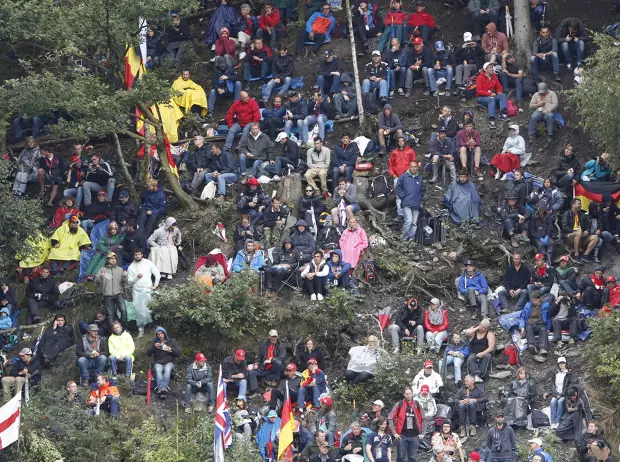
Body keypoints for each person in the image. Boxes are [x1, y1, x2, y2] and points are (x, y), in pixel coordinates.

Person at [127, 249, 161, 337]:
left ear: (142, 255)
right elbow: (129, 282)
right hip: (136, 291)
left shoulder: (148, 263)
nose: (137, 256)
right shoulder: (131, 267)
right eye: (135, 254)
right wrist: (136, 277)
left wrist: (155, 285)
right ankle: (140, 330)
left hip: (147, 290)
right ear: (133, 256)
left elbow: (157, 274)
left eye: (139, 254)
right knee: (138, 311)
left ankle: (151, 328)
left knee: (149, 309)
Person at [388, 386, 424, 462]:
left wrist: (422, 433)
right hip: (402, 436)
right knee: (400, 457)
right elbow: (390, 418)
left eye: (410, 393)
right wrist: (394, 433)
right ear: (404, 394)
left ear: (412, 394)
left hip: (415, 435)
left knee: (412, 458)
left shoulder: (417, 404)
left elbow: (424, 419)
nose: (409, 395)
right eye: (407, 394)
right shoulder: (399, 404)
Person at [94, 251, 128, 328]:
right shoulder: (102, 269)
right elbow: (96, 281)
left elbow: (125, 282)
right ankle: (113, 331)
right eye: (111, 258)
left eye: (115, 258)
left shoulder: (120, 269)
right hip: (107, 295)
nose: (113, 260)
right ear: (108, 260)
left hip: (118, 293)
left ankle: (124, 329)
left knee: (124, 311)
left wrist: (125, 276)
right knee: (110, 314)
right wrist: (101, 277)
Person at [248, 329, 286, 395]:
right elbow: (258, 357)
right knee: (251, 372)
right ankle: (255, 391)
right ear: (269, 337)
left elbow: (282, 358)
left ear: (277, 337)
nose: (274, 338)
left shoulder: (281, 346)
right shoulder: (263, 345)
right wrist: (256, 364)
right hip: (263, 368)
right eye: (272, 336)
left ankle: (276, 380)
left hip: (274, 370)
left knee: (278, 362)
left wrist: (272, 360)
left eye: (275, 337)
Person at [146, 327, 180, 400]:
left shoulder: (171, 342)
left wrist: (171, 349)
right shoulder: (155, 343)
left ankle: (161, 389)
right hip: (158, 362)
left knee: (167, 369)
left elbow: (178, 354)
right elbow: (148, 354)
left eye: (161, 333)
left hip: (169, 362)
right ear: (156, 335)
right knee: (158, 369)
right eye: (158, 334)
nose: (160, 335)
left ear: (165, 334)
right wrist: (154, 347)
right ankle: (163, 390)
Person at [396, 161, 424, 242]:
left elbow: (422, 190)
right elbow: (398, 188)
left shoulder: (419, 178)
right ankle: (404, 238)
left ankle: (411, 238)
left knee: (414, 222)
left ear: (417, 167)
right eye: (412, 166)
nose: (414, 168)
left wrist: (420, 198)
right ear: (409, 167)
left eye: (415, 166)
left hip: (416, 203)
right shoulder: (404, 177)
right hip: (406, 203)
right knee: (408, 221)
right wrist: (403, 196)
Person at [389, 137, 417, 216]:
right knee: (399, 196)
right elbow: (390, 165)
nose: (401, 143)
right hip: (397, 177)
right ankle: (400, 213)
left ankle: (409, 213)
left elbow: (413, 163)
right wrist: (393, 174)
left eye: (402, 141)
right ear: (397, 143)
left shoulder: (410, 151)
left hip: (408, 177)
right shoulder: (394, 152)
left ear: (405, 142)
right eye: (399, 141)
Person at [547, 356, 576, 428]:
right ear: (558, 364)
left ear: (566, 364)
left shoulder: (569, 374)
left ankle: (558, 421)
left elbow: (570, 386)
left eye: (563, 363)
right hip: (556, 393)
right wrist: (555, 393)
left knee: (560, 402)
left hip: (564, 394)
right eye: (560, 363)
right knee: (552, 402)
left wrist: (562, 394)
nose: (562, 365)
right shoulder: (555, 373)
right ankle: (553, 422)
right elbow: (552, 385)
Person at [476, 62, 507, 130]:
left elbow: (499, 87)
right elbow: (479, 91)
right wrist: (489, 94)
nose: (492, 69)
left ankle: (502, 113)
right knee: (491, 99)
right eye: (490, 67)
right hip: (481, 97)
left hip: (492, 96)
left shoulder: (494, 77)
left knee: (502, 95)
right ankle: (491, 119)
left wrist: (499, 92)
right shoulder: (480, 78)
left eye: (492, 67)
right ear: (485, 69)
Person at [519, 291, 550, 358]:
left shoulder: (545, 305)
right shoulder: (528, 305)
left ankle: (543, 348)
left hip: (540, 323)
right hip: (530, 323)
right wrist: (522, 327)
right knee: (528, 328)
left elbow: (548, 317)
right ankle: (532, 345)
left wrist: (548, 328)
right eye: (533, 300)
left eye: (536, 300)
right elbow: (522, 317)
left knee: (543, 329)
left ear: (539, 299)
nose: (534, 302)